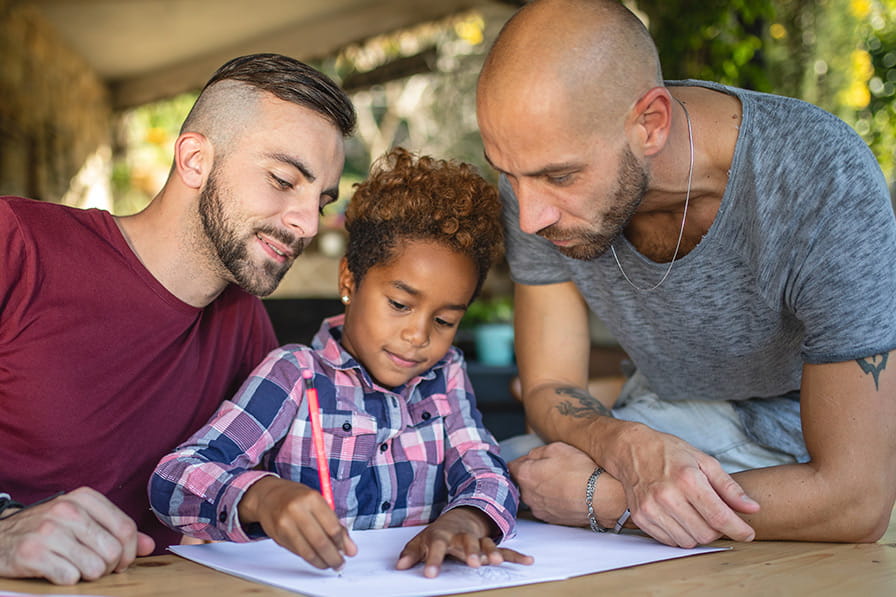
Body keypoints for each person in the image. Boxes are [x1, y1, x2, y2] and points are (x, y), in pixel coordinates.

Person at [476, 0, 896, 548]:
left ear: (651, 123)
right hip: (654, 418)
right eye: (508, 174)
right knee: (478, 478)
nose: (531, 216)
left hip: (792, 453)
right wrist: (627, 446)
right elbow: (550, 385)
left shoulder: (819, 180)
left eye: (560, 176)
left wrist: (609, 499)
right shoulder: (534, 171)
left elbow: (857, 500)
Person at [0, 53, 356, 584]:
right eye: (283, 180)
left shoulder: (246, 326)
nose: (306, 224)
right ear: (194, 160)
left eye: (321, 200)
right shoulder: (17, 242)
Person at [149, 147, 533, 578]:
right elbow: (174, 478)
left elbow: (486, 469)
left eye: (444, 320)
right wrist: (262, 496)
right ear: (349, 279)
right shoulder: (294, 374)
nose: (419, 336)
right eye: (400, 304)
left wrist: (469, 518)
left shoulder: (446, 376)